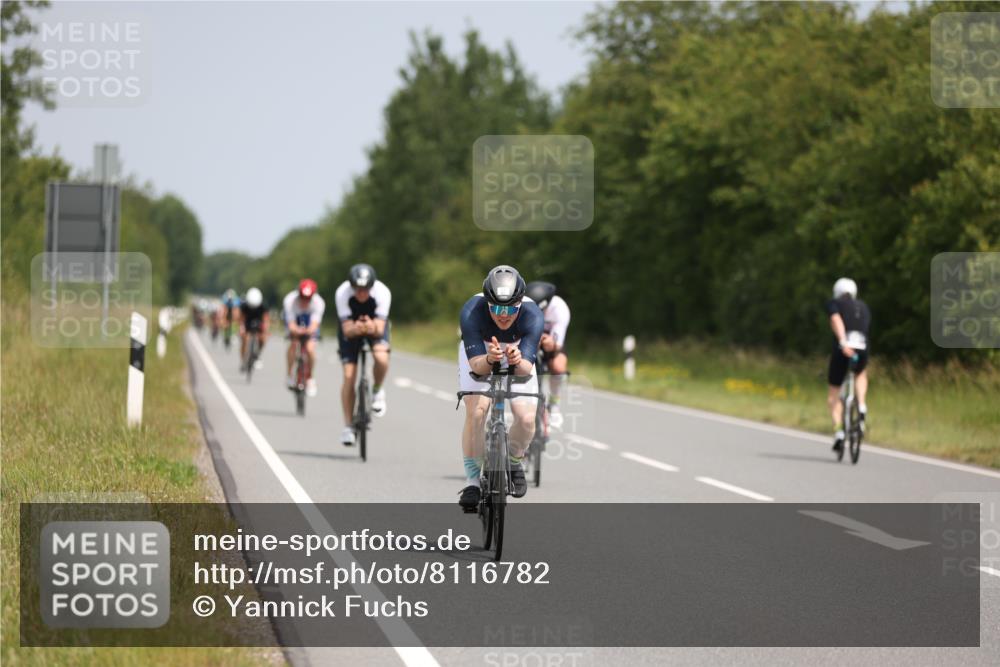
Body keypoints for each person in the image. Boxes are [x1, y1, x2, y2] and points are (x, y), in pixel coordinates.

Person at [457, 265, 544, 510]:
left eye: (509, 309)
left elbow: (526, 368)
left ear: (520, 303)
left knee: (526, 419)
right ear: (487, 303)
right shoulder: (472, 311)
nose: (503, 315)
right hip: (482, 353)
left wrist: (516, 359)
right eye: (495, 308)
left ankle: (514, 460)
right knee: (476, 411)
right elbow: (476, 365)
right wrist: (490, 359)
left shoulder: (533, 314)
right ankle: (473, 481)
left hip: (517, 351)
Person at [335, 264, 392, 445]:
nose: (361, 293)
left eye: (365, 289)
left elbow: (380, 328)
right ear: (351, 286)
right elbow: (346, 329)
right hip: (350, 330)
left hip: (375, 326)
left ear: (371, 286)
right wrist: (357, 328)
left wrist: (370, 326)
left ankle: (377, 390)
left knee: (381, 357)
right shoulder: (342, 293)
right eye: (357, 289)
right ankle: (348, 427)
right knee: (349, 376)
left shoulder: (383, 293)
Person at [826, 277, 871, 454]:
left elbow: (836, 320)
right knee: (860, 374)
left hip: (844, 347)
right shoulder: (864, 306)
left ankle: (838, 431)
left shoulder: (834, 303)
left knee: (833, 394)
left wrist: (844, 342)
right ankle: (861, 405)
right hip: (862, 347)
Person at [524, 281, 571, 428]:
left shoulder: (560, 308)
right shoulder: (524, 305)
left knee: (558, 368)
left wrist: (550, 343)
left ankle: (554, 405)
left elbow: (557, 342)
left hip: (552, 339)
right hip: (531, 337)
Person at [283, 279, 325, 397]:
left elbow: (315, 324)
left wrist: (308, 331)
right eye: (302, 297)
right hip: (295, 320)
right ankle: (290, 374)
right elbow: (290, 324)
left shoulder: (319, 302)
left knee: (310, 349)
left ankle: (310, 377)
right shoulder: (290, 300)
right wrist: (296, 331)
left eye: (308, 298)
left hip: (309, 321)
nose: (305, 301)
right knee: (294, 343)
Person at [239, 287, 270, 371]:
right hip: (247, 323)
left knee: (263, 339)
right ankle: (243, 360)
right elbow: (241, 319)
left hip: (259, 323)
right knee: (245, 339)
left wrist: (265, 331)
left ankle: (257, 354)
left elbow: (266, 319)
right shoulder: (244, 306)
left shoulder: (263, 306)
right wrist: (242, 328)